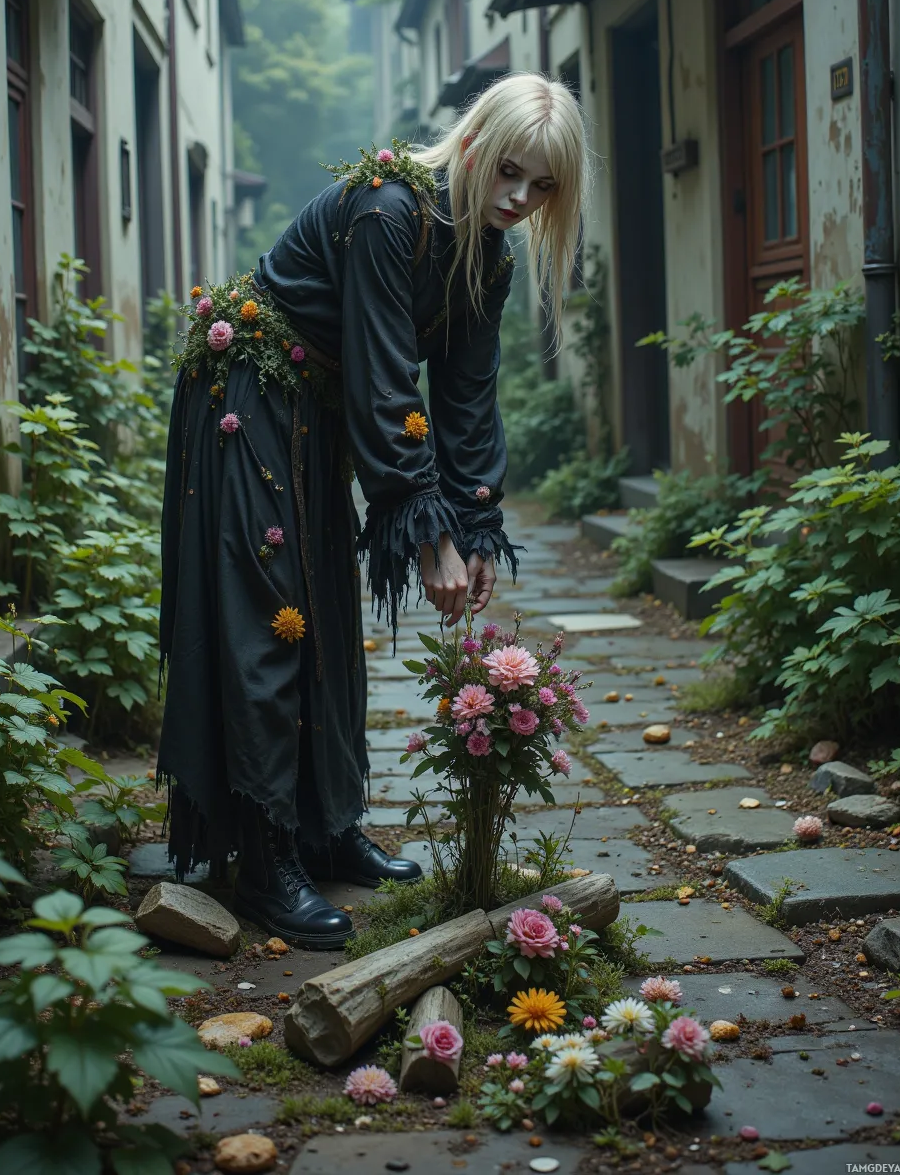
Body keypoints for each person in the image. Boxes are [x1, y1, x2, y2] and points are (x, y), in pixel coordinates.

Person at [157, 72, 589, 949]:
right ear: (473, 145)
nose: (519, 198)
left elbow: (467, 397)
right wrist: (424, 530)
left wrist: (474, 522)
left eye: (543, 186)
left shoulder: (490, 256)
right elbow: (389, 376)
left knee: (325, 612)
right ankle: (267, 857)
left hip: (318, 412)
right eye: (509, 171)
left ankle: (325, 827)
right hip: (247, 396)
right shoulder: (389, 211)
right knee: (270, 618)